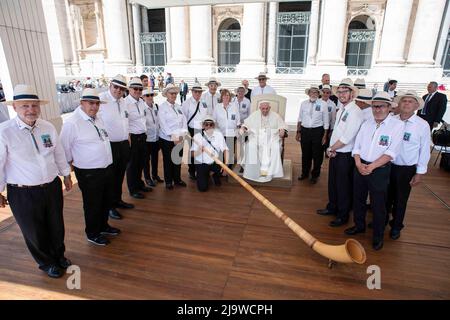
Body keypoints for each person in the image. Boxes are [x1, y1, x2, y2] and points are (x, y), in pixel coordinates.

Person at [0, 84, 72, 278]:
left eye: (34, 105)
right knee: (34, 230)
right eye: (25, 106)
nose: (31, 110)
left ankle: (59, 255)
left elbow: (58, 152)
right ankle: (47, 262)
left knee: (56, 225)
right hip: (22, 192)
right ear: (14, 107)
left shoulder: (47, 127)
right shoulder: (4, 132)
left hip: (51, 187)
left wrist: (66, 174)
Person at [344, 92, 404, 251]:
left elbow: (391, 152)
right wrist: (358, 163)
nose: (377, 109)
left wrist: (371, 167)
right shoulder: (366, 123)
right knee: (358, 199)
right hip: (360, 166)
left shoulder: (397, 126)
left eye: (381, 106)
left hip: (379, 170)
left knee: (379, 205)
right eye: (375, 106)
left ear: (389, 108)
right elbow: (356, 147)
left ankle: (378, 236)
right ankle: (359, 226)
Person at [60, 88, 120, 246]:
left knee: (106, 200)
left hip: (106, 167)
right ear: (82, 103)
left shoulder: (98, 118)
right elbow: (64, 148)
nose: (94, 106)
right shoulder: (72, 123)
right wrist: (67, 172)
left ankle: (103, 226)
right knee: (93, 203)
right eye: (90, 103)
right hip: (89, 172)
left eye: (97, 103)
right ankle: (93, 233)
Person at [316, 78, 364, 227]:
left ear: (352, 94)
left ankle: (343, 216)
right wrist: (332, 149)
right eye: (340, 92)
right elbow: (337, 132)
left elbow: (347, 137)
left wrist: (331, 148)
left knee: (343, 186)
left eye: (345, 91)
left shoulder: (355, 112)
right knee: (333, 183)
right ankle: (333, 207)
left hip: (344, 155)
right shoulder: (342, 109)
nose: (342, 94)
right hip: (336, 152)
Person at [386, 91, 430, 240]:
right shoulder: (391, 120)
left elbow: (424, 150)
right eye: (404, 101)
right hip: (387, 165)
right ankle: (382, 220)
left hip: (406, 169)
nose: (406, 103)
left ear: (416, 106)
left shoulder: (422, 125)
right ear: (399, 103)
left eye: (410, 101)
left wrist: (419, 173)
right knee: (385, 195)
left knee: (400, 199)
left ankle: (396, 226)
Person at [98, 75, 134, 221]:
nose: (118, 90)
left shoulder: (124, 102)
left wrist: (128, 138)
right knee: (110, 178)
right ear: (110, 86)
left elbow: (126, 122)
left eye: (121, 88)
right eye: (116, 87)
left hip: (123, 143)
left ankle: (117, 200)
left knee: (120, 175)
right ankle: (110, 207)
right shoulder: (101, 99)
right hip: (110, 145)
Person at [241, 101, 287, 183]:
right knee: (251, 146)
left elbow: (282, 125)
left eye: (267, 109)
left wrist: (282, 129)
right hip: (257, 138)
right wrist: (243, 128)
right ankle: (252, 172)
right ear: (260, 108)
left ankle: (271, 172)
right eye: (263, 109)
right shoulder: (254, 115)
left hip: (271, 139)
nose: (265, 110)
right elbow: (246, 124)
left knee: (275, 147)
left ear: (269, 108)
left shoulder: (276, 116)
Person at [124, 77, 152, 199]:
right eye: (135, 88)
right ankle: (133, 189)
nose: (138, 91)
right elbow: (124, 122)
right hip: (133, 137)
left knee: (141, 162)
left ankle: (139, 184)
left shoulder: (141, 102)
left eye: (140, 89)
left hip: (142, 136)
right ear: (129, 89)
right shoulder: (125, 103)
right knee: (132, 165)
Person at [296, 85, 329, 184]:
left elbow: (326, 121)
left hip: (317, 131)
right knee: (305, 153)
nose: (313, 94)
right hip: (305, 131)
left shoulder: (323, 104)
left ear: (318, 94)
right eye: (312, 92)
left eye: (315, 92)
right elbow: (300, 118)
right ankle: (304, 173)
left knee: (317, 154)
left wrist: (325, 135)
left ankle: (315, 175)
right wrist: (298, 132)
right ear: (309, 93)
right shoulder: (303, 104)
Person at [157, 83, 188, 190]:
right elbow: (163, 124)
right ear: (166, 94)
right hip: (167, 139)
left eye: (175, 93)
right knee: (168, 161)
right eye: (171, 93)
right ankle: (168, 181)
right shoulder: (162, 108)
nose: (174, 95)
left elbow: (184, 121)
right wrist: (174, 137)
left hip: (179, 138)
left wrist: (182, 135)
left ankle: (177, 179)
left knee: (177, 160)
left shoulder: (179, 107)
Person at [190, 115, 229, 192]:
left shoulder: (219, 135)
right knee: (202, 188)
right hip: (202, 163)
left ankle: (214, 174)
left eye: (211, 124)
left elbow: (225, 150)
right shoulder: (197, 136)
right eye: (206, 124)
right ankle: (206, 174)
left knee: (228, 166)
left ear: (214, 125)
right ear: (203, 125)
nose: (208, 126)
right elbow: (192, 154)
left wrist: (226, 165)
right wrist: (198, 151)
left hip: (215, 162)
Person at [182, 82, 207, 180]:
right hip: (191, 130)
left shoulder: (204, 102)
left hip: (202, 131)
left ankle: (199, 170)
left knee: (200, 151)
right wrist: (186, 132)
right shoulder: (186, 103)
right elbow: (183, 119)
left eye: (199, 92)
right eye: (196, 91)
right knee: (191, 152)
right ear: (192, 92)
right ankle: (191, 171)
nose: (197, 93)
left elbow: (207, 115)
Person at [213, 89, 240, 171]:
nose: (226, 97)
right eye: (224, 95)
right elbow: (214, 120)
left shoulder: (234, 106)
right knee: (221, 152)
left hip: (231, 133)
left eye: (228, 95)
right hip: (221, 133)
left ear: (230, 97)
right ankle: (221, 169)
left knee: (230, 152)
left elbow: (238, 120)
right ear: (222, 97)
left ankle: (229, 169)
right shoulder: (217, 107)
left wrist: (238, 129)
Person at [142, 87, 163, 187]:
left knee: (155, 158)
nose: (150, 97)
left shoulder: (156, 107)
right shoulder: (142, 108)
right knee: (146, 160)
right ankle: (147, 178)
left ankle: (155, 175)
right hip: (147, 139)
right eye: (147, 95)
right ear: (143, 97)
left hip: (156, 138)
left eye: (151, 95)